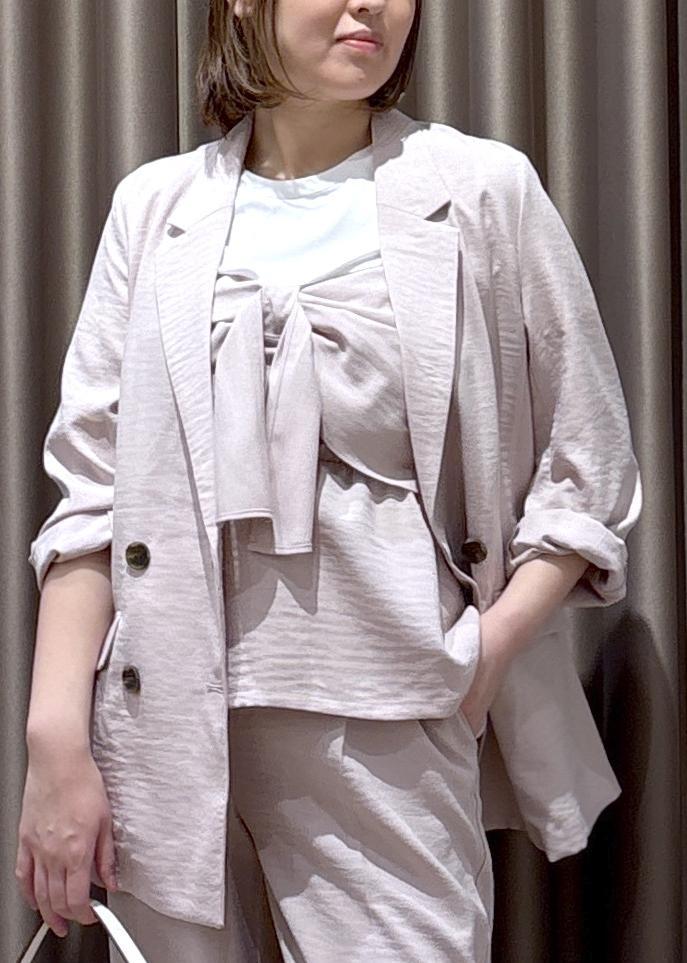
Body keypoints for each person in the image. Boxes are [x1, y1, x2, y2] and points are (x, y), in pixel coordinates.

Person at [17, 1, 642, 961]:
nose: (373, 4)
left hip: (390, 719)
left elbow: (587, 461)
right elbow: (92, 497)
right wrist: (54, 741)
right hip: (162, 733)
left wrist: (479, 655)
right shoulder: (157, 206)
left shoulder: (477, 189)